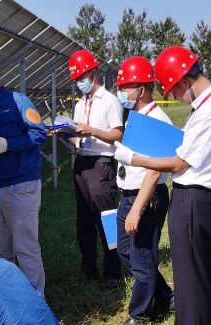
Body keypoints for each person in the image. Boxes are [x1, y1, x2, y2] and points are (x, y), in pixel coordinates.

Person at [114, 47, 211, 325]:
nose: (174, 97)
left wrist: (134, 158)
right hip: (192, 196)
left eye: (173, 90)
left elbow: (180, 163)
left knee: (193, 278)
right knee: (185, 277)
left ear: (184, 80)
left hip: (197, 197)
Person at [0, 52, 47, 294]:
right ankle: (13, 298)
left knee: (25, 247)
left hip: (21, 184)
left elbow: (39, 134)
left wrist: (8, 144)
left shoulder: (18, 101)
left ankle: (36, 300)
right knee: (0, 250)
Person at [111, 56, 174, 325]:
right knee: (125, 252)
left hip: (146, 197)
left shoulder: (157, 120)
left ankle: (140, 315)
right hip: (128, 195)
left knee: (142, 258)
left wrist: (137, 209)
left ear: (142, 89)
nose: (121, 92)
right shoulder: (136, 117)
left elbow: (154, 171)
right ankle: (166, 298)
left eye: (125, 87)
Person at [67, 49, 124, 291]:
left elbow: (117, 134)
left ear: (93, 72)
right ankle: (88, 267)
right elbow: (79, 138)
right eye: (77, 79)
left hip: (102, 165)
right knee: (84, 221)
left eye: (82, 76)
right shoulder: (81, 104)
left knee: (107, 219)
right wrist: (65, 134)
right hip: (82, 163)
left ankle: (113, 272)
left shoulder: (110, 101)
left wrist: (92, 130)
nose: (80, 82)